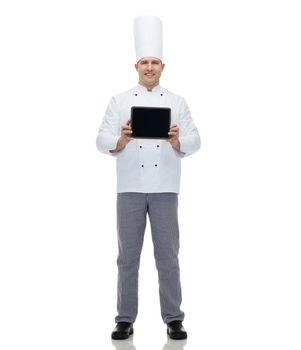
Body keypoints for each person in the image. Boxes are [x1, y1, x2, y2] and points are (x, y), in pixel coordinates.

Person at [96, 15, 200, 340]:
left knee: (168, 256)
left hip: (166, 189)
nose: (150, 67)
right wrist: (121, 140)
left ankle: (174, 318)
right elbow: (100, 139)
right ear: (136, 65)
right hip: (129, 188)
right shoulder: (120, 101)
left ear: (163, 66)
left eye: (155, 62)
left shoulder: (177, 102)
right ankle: (124, 318)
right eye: (145, 62)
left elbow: (197, 140)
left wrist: (177, 140)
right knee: (127, 257)